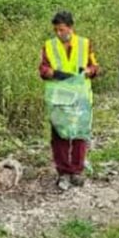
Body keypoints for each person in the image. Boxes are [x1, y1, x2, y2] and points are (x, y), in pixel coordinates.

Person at [38, 10, 100, 190]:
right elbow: (42, 69)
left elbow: (95, 66)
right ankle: (63, 171)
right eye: (56, 30)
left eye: (62, 30)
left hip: (80, 96)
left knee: (79, 134)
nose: (59, 34)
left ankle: (77, 170)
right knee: (60, 135)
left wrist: (88, 71)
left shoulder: (85, 44)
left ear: (71, 28)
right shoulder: (49, 46)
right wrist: (55, 74)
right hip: (58, 97)